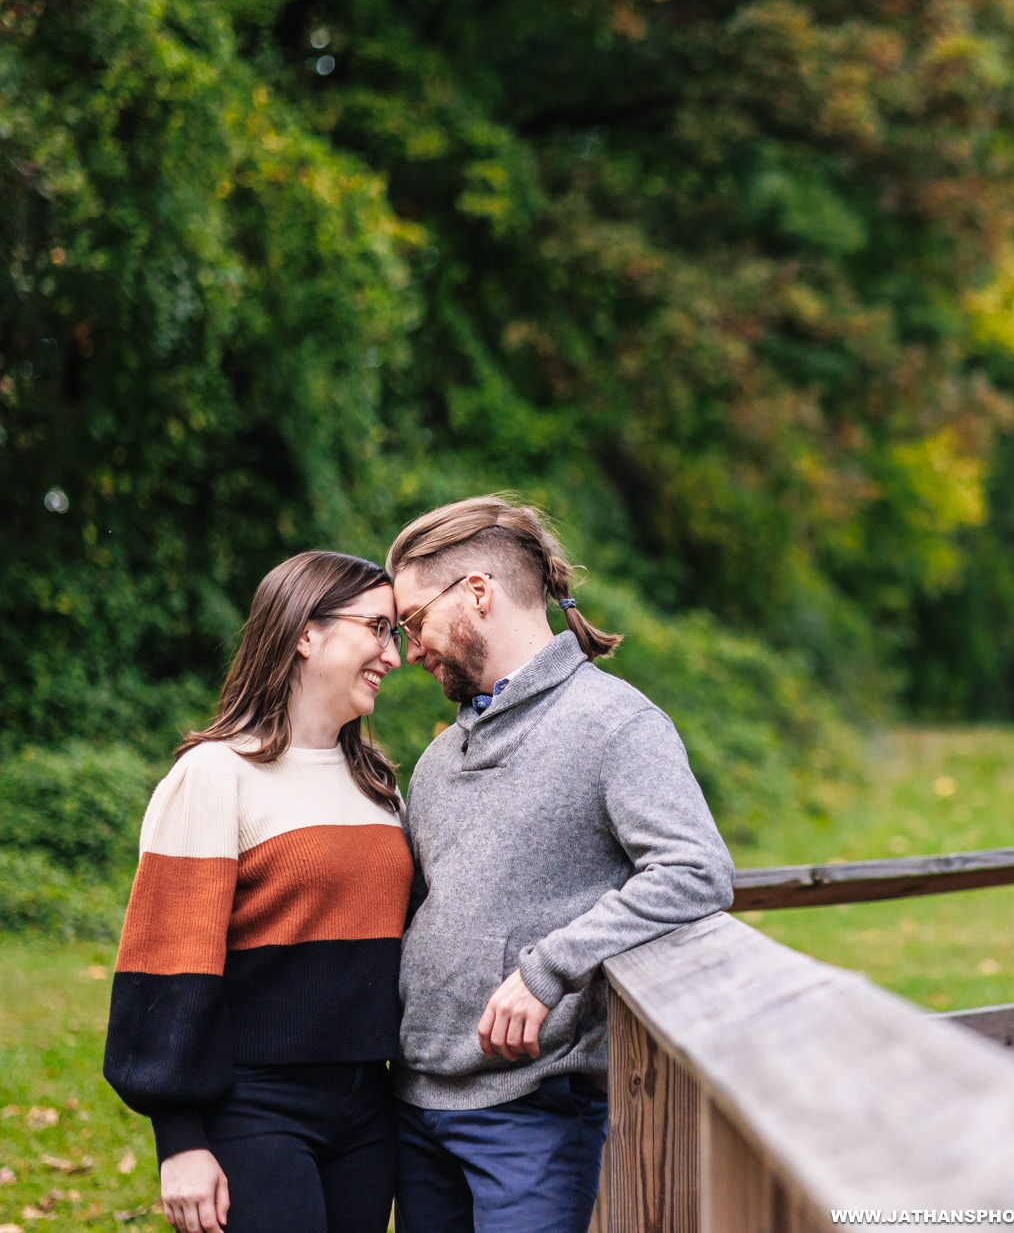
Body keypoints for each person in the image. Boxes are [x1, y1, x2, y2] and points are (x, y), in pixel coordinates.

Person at [386, 494, 734, 1233]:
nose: (408, 647)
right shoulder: (438, 760)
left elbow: (695, 870)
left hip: (532, 1114)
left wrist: (549, 968)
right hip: (415, 1107)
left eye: (413, 619)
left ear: (476, 591)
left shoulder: (615, 724)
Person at [103, 552, 411, 1233]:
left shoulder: (379, 785)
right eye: (379, 628)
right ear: (306, 632)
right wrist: (179, 1139)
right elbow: (165, 965)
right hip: (254, 1108)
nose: (394, 655)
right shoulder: (216, 774)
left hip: (369, 1106)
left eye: (398, 633)